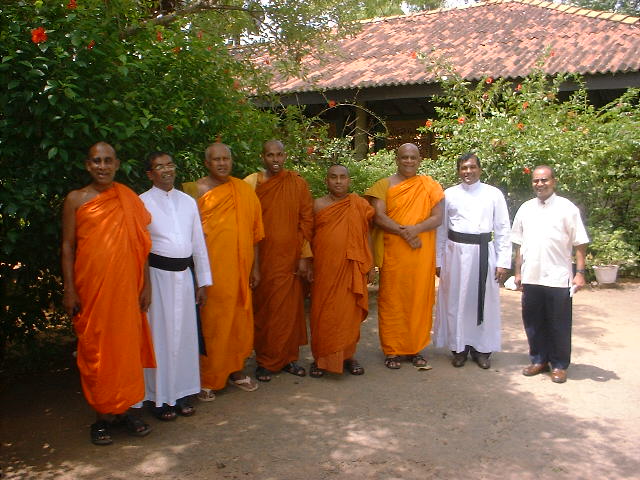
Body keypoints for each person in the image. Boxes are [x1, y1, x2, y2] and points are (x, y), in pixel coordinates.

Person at [61, 142, 155, 445]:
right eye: (96, 161)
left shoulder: (127, 198)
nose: (102, 166)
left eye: (108, 161)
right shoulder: (76, 199)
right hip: (92, 291)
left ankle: (127, 411)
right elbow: (67, 246)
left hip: (127, 289)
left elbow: (143, 246)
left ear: (117, 164)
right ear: (88, 165)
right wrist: (69, 290)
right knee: (97, 351)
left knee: (126, 349)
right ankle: (101, 418)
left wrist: (147, 285)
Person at [184, 143, 264, 399]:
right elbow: (187, 237)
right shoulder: (194, 191)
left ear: (232, 161)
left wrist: (256, 268)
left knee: (239, 322)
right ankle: (208, 377)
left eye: (226, 159)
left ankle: (237, 370)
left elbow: (255, 234)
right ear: (207, 163)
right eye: (216, 159)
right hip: (211, 274)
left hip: (241, 271)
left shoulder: (243, 190)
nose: (222, 163)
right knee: (213, 325)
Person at [139, 152, 212, 420]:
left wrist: (202, 281)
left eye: (170, 164)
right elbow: (139, 249)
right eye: (159, 166)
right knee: (160, 336)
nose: (166, 170)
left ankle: (182, 393)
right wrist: (143, 286)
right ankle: (160, 398)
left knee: (184, 337)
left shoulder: (188, 202)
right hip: (157, 279)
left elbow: (198, 244)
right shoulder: (141, 203)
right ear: (150, 174)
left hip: (184, 278)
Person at [364, 143, 444, 370]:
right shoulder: (384, 185)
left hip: (421, 254)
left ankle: (415, 348)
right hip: (394, 255)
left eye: (413, 157)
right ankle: (393, 350)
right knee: (392, 300)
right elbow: (378, 216)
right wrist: (405, 232)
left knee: (419, 300)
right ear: (396, 159)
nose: (409, 161)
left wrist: (414, 230)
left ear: (420, 160)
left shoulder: (430, 185)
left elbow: (438, 217)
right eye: (404, 157)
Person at [512, 165, 589, 384]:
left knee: (559, 323)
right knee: (533, 321)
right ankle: (539, 360)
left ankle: (559, 365)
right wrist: (518, 272)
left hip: (558, 276)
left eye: (544, 180)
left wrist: (580, 273)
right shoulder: (526, 208)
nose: (540, 184)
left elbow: (580, 243)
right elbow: (518, 243)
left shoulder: (567, 208)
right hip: (531, 275)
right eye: (536, 181)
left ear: (553, 181)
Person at [433, 153, 512, 369]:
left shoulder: (493, 194)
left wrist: (503, 261)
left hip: (483, 253)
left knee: (483, 302)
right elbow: (441, 229)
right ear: (458, 171)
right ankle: (459, 349)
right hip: (455, 254)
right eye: (463, 168)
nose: (468, 171)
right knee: (455, 300)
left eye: (472, 167)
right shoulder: (448, 195)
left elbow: (503, 228)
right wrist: (438, 259)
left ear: (480, 169)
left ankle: (482, 350)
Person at [244, 140, 313, 382]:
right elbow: (246, 223)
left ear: (285, 156)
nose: (275, 159)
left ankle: (288, 359)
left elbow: (306, 221)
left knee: (290, 312)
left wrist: (305, 256)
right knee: (265, 311)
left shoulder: (297, 183)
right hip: (262, 258)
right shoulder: (252, 184)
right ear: (262, 156)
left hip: (290, 259)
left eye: (279, 154)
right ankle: (265, 361)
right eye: (270, 155)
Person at [309, 164, 375, 378]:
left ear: (349, 180)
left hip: (351, 269)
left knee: (349, 314)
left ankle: (348, 356)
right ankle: (321, 358)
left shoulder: (359, 205)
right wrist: (306, 263)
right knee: (323, 314)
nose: (338, 181)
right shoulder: (317, 205)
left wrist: (370, 264)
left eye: (343, 177)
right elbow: (307, 237)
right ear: (326, 181)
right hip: (324, 269)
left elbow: (366, 236)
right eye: (333, 177)